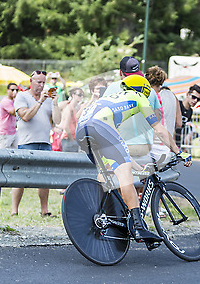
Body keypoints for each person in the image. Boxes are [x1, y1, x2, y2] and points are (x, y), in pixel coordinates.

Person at [76, 74, 192, 243]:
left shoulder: (112, 100)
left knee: (106, 174)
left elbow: (117, 148)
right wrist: (178, 151)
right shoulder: (138, 97)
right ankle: (138, 227)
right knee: (125, 177)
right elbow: (159, 129)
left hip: (82, 130)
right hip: (101, 127)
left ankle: (100, 214)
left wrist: (139, 168)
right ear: (144, 90)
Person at [12, 70, 61, 217]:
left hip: (45, 142)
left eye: (43, 82)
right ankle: (14, 211)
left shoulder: (47, 100)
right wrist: (40, 101)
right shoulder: (22, 96)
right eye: (38, 82)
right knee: (20, 178)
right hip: (27, 142)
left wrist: (55, 103)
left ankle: (44, 210)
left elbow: (57, 121)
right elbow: (26, 116)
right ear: (31, 82)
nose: (41, 85)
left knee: (45, 179)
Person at [103, 56, 161, 158]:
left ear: (121, 73)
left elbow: (102, 115)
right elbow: (157, 118)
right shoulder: (150, 90)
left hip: (122, 146)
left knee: (106, 171)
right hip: (146, 147)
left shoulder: (113, 87)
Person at [146, 66, 182, 161]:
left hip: (154, 148)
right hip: (168, 148)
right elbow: (179, 123)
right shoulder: (173, 96)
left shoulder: (151, 97)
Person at [175, 85, 200, 151]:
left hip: (178, 142)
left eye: (198, 99)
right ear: (187, 94)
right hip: (168, 140)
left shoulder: (190, 111)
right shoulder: (177, 105)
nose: (195, 101)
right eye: (193, 97)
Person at [60, 87, 84, 152]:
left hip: (73, 138)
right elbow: (66, 126)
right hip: (67, 139)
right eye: (79, 95)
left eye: (82, 95)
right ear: (73, 95)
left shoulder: (77, 107)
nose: (81, 97)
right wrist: (72, 139)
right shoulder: (69, 108)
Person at [0, 83, 18, 149]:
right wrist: (17, 99)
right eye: (12, 90)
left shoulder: (14, 101)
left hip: (13, 131)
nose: (14, 92)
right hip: (5, 132)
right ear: (7, 90)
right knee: (4, 154)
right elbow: (13, 112)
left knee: (16, 152)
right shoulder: (5, 101)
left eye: (16, 90)